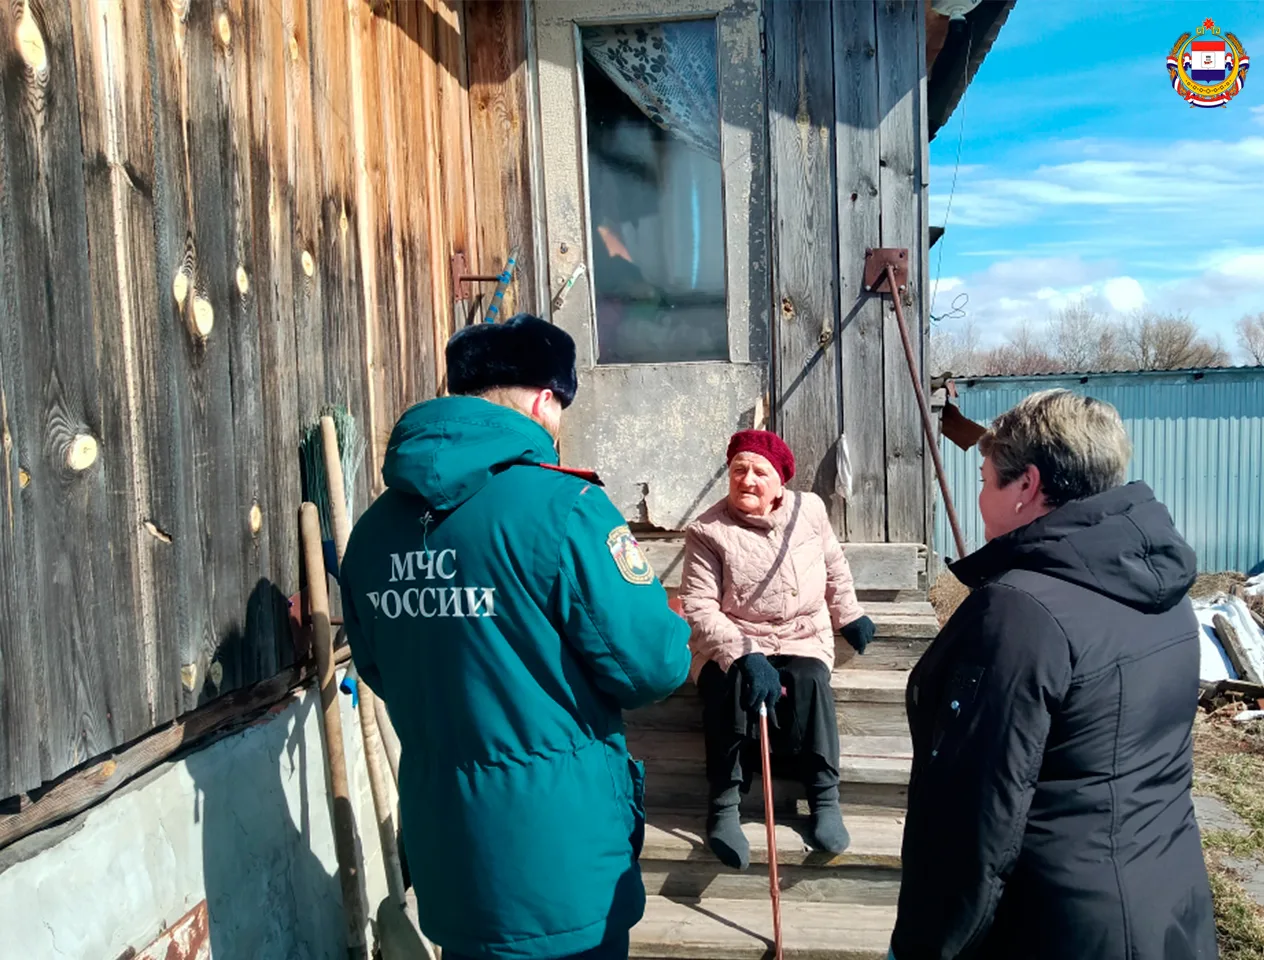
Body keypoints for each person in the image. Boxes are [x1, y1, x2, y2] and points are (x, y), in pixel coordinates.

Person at [340, 314, 692, 960]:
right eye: (560, 406)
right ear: (543, 399)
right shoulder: (566, 509)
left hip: (450, 868)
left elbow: (378, 668)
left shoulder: (371, 534)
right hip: (561, 878)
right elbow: (656, 664)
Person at [890, 390, 1217, 960]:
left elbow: (977, 819)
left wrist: (923, 944)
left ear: (1027, 487)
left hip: (1051, 925)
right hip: (1165, 900)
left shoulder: (1019, 612)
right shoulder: (1161, 587)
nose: (979, 495)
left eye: (988, 478)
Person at [680, 429, 877, 869]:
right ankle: (724, 806)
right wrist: (745, 653)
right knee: (729, 682)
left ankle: (824, 798)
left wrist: (849, 613)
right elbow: (698, 607)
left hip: (800, 631)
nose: (747, 480)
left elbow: (832, 563)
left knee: (809, 679)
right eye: (738, 470)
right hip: (733, 633)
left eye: (758, 472)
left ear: (780, 481)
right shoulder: (707, 531)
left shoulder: (809, 510)